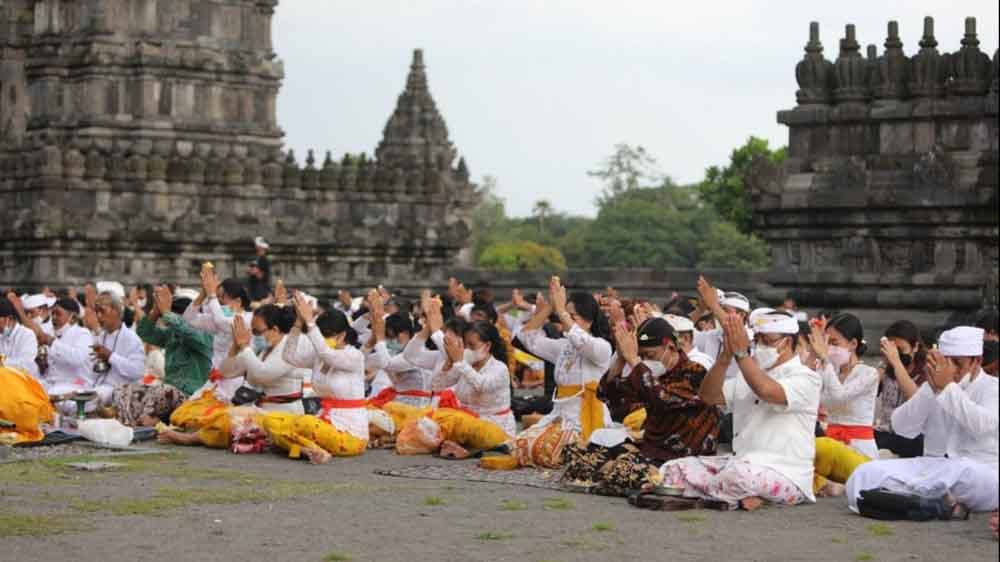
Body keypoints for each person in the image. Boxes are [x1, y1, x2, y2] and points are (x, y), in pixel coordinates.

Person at [660, 309, 820, 510]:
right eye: (757, 341)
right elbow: (708, 397)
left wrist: (741, 354)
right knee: (672, 469)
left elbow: (766, 391)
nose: (759, 347)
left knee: (736, 478)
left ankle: (710, 492)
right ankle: (728, 495)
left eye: (766, 341)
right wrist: (725, 358)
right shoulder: (749, 374)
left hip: (786, 472)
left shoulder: (806, 378)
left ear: (787, 343)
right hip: (740, 462)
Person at [846, 326, 999, 515]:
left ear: (977, 361)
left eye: (957, 363)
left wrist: (948, 387)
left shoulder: (993, 388)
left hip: (982, 473)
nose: (949, 369)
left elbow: (983, 425)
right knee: (863, 474)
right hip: (933, 469)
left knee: (963, 471)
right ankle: (933, 505)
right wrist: (930, 391)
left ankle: (906, 500)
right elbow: (901, 427)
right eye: (945, 362)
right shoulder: (933, 386)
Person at [603, 317, 721, 463]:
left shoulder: (695, 372)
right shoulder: (648, 375)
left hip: (687, 459)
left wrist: (634, 360)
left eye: (650, 355)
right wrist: (621, 359)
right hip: (651, 452)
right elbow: (614, 402)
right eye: (642, 356)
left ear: (670, 347)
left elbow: (662, 398)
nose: (646, 360)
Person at [518, 276, 613, 441]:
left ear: (589, 321)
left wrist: (562, 310)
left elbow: (581, 340)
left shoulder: (602, 347)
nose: (564, 321)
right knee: (521, 444)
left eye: (572, 316)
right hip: (559, 415)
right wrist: (550, 305)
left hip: (587, 418)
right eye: (564, 316)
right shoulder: (563, 346)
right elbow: (527, 338)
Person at [121, 286, 213, 427]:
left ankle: (146, 422)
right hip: (167, 393)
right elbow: (145, 333)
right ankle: (131, 423)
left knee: (164, 391)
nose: (174, 317)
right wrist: (155, 313)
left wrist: (167, 314)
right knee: (125, 389)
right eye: (174, 312)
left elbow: (185, 330)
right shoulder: (171, 334)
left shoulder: (205, 335)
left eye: (179, 313)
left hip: (192, 397)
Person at [808, 313, 879, 458]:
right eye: (826, 343)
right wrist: (814, 354)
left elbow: (839, 396)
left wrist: (825, 360)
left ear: (853, 344)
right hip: (831, 444)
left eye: (834, 343)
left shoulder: (869, 374)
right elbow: (809, 390)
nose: (828, 348)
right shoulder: (829, 370)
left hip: (860, 448)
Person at [432, 320, 515, 436]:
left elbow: (482, 385)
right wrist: (448, 364)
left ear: (487, 346)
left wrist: (459, 363)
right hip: (466, 425)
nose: (467, 350)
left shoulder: (500, 369)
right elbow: (437, 386)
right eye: (465, 345)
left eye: (472, 345)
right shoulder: (464, 364)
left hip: (495, 429)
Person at [183, 270, 253, 403]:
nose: (218, 302)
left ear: (238, 301)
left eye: (222, 297)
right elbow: (189, 319)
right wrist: (203, 293)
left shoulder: (247, 319)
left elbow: (222, 322)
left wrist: (211, 295)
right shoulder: (219, 319)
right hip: (214, 381)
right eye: (217, 297)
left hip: (236, 384)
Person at [875, 320, 931, 458]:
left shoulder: (926, 371)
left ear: (915, 347)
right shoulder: (886, 368)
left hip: (911, 438)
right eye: (893, 350)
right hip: (884, 433)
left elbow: (916, 398)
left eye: (901, 350)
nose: (897, 354)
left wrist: (896, 362)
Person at [90, 291, 146, 408]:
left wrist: (110, 356)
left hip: (121, 392)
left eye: (102, 311)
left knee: (88, 400)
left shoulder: (131, 338)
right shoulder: (100, 337)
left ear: (116, 311)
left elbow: (138, 371)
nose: (99, 316)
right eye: (96, 312)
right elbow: (93, 372)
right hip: (98, 387)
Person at [0, 297, 39, 378]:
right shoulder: (2, 335)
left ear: (9, 318)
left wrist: (2, 362)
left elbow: (25, 364)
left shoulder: (27, 335)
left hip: (25, 380)